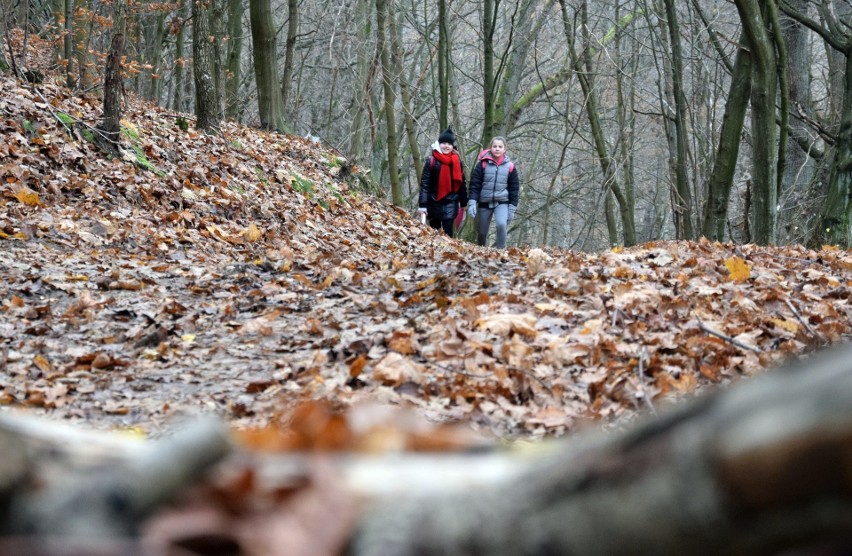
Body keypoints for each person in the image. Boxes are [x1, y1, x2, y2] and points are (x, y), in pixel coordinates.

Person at [467, 136, 520, 248]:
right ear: (490, 148)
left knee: (501, 224)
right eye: (495, 146)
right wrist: (472, 202)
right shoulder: (482, 164)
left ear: (504, 149)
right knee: (482, 231)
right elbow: (475, 184)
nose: (497, 149)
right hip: (484, 202)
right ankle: (481, 249)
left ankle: (500, 251)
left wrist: (512, 208)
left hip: (502, 202)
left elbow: (514, 189)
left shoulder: (510, 167)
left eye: (500, 147)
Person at [418, 126, 468, 237]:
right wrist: (422, 205)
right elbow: (425, 185)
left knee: (447, 236)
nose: (446, 146)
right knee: (433, 234)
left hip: (451, 203)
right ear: (439, 144)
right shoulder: (431, 161)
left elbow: (461, 183)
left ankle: (447, 254)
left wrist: (464, 203)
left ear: (452, 146)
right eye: (444, 143)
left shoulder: (457, 162)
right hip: (433, 202)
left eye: (449, 144)